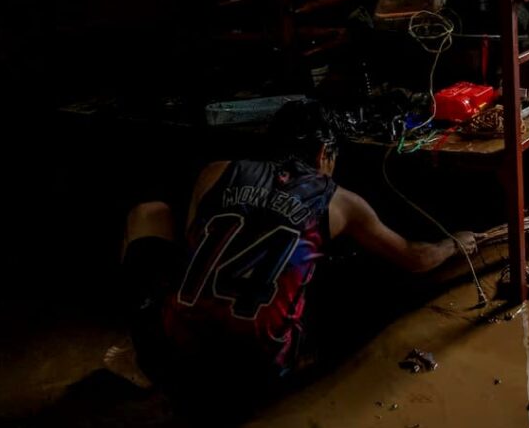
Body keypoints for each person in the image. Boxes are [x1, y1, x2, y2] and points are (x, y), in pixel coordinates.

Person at [104, 99, 477, 393]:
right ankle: (299, 357)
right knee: (351, 270)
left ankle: (141, 359)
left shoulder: (216, 170)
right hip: (260, 374)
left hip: (174, 360)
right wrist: (453, 244)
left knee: (148, 212)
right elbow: (414, 258)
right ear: (323, 155)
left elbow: (192, 247)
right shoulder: (340, 200)